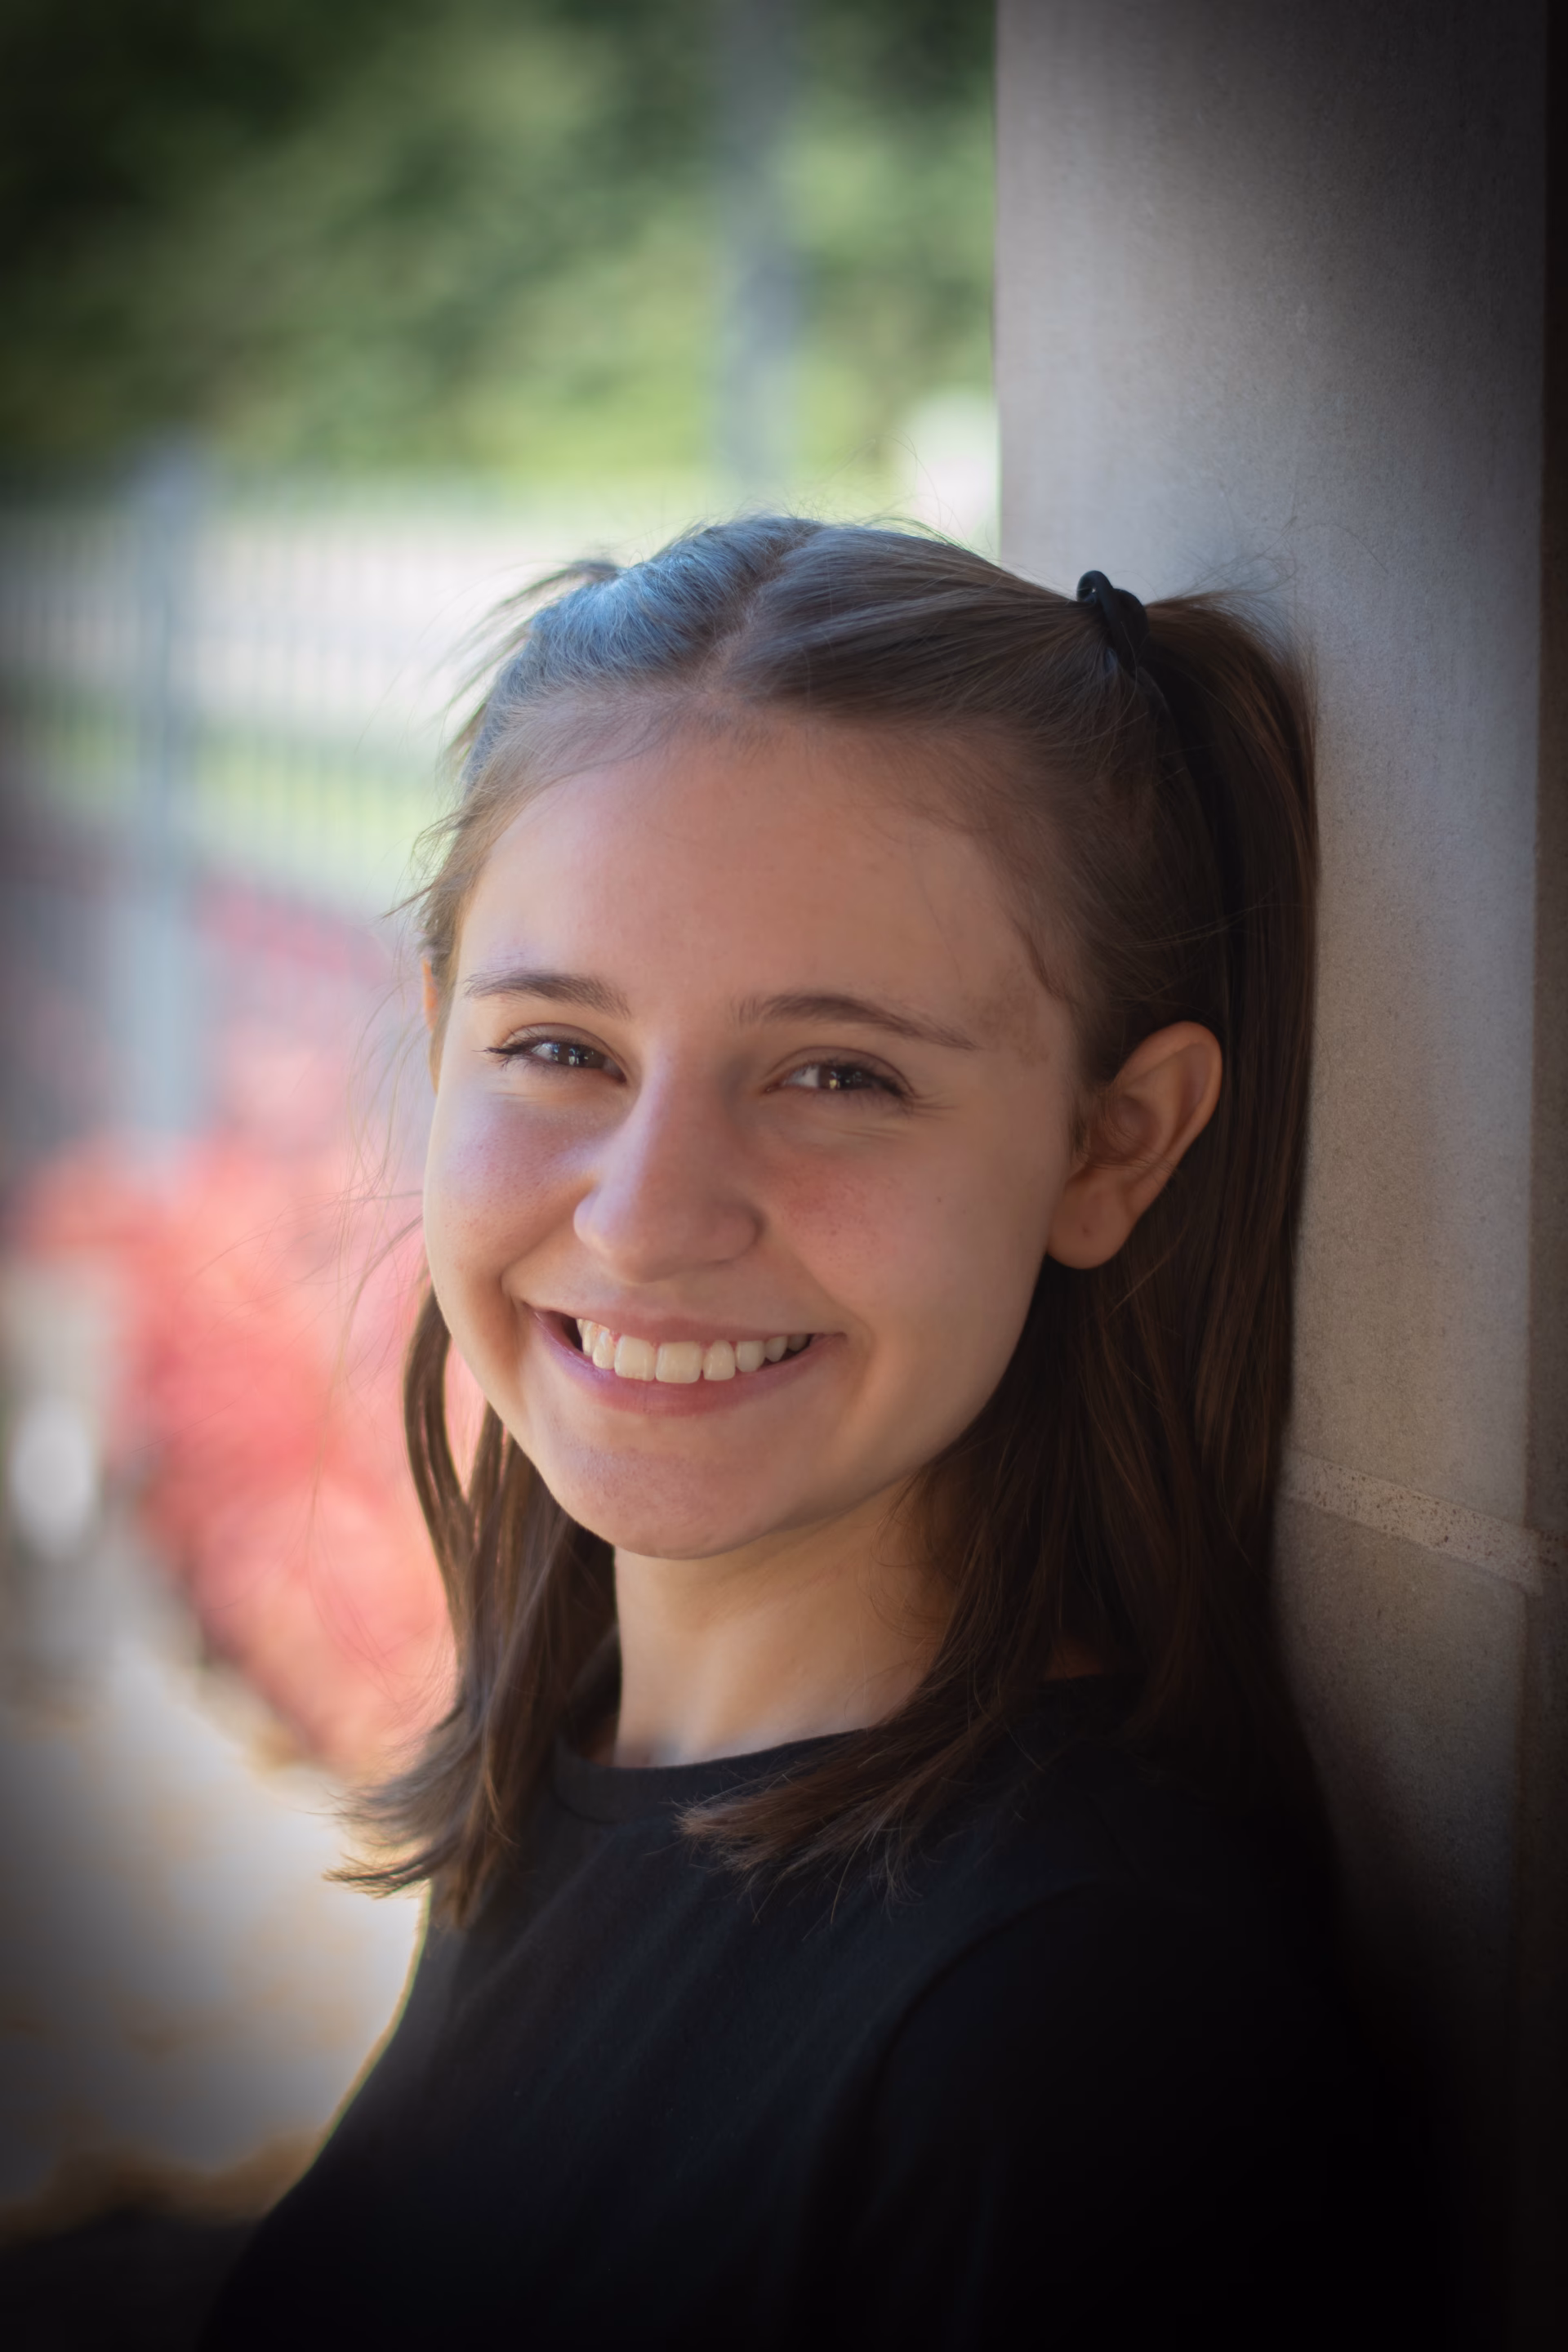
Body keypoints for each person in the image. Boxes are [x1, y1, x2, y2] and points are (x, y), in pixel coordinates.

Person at [203, 520, 1422, 2349]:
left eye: (839, 1075)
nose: (644, 1219)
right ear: (444, 1037)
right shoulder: (585, 1754)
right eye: (561, 1049)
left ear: (1114, 1144)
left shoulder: (1066, 2036)